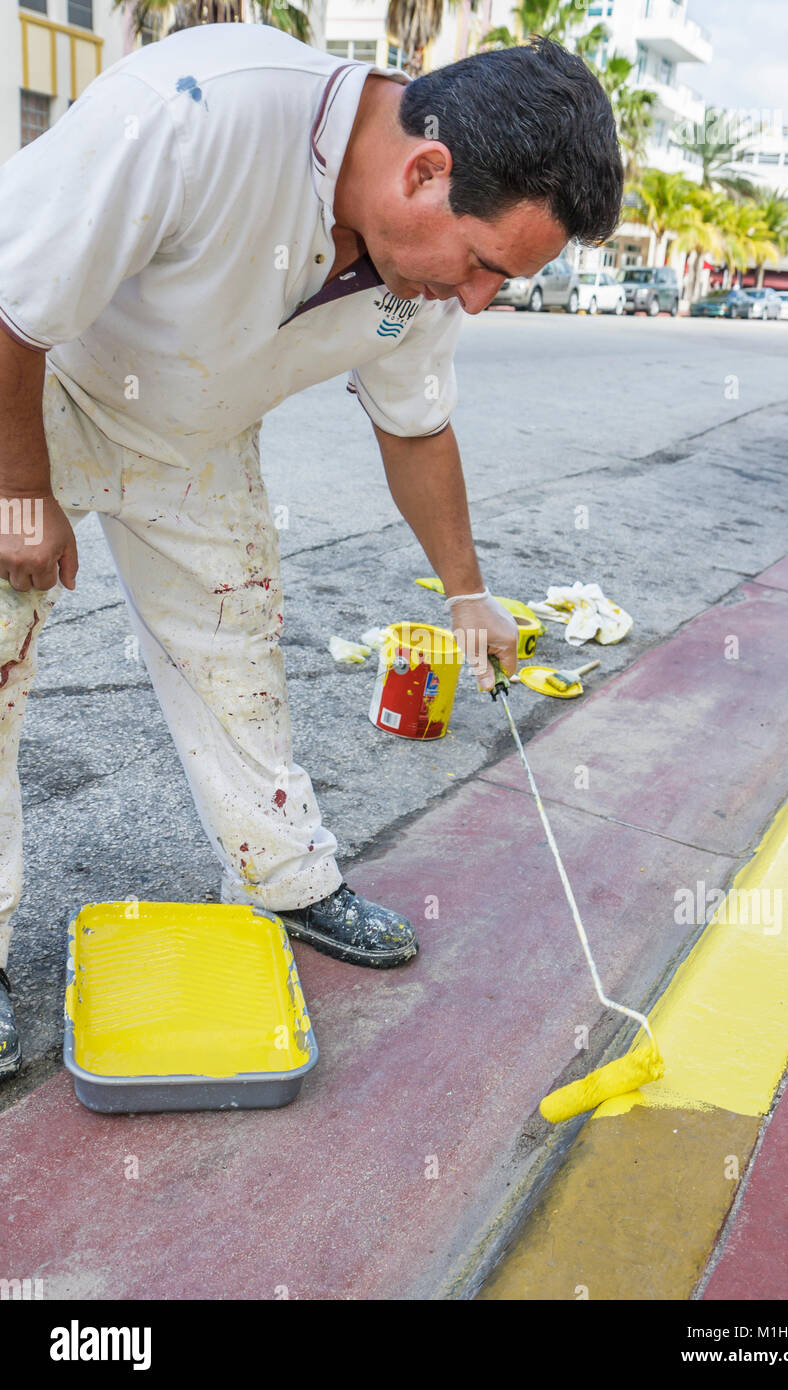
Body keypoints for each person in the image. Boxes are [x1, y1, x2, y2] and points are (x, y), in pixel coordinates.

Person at [0, 23, 622, 1077]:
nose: (475, 300)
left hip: (193, 436)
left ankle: (286, 877)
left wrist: (469, 594)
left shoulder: (414, 264)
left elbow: (416, 428)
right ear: (426, 171)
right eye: (479, 266)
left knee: (238, 648)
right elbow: (10, 306)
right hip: (38, 391)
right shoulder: (199, 110)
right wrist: (19, 496)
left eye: (497, 283)